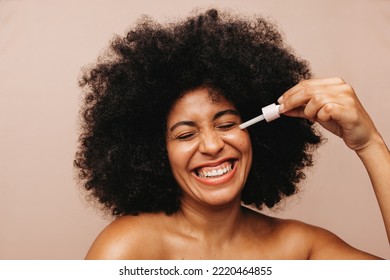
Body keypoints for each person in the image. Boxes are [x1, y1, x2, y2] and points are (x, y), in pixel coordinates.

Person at [74, 9, 390, 259]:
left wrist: (369, 144)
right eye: (185, 135)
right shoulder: (128, 250)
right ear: (155, 153)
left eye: (226, 125)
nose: (213, 145)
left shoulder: (301, 249)